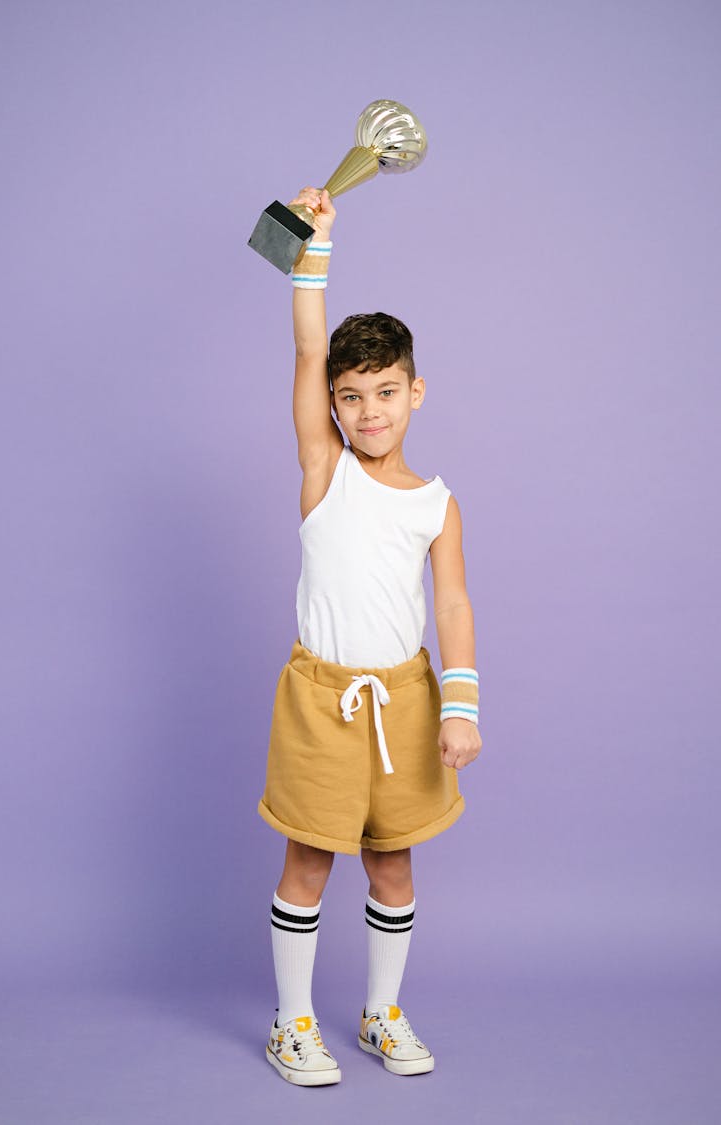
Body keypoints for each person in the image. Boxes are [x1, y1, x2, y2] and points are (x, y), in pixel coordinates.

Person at [258, 186, 483, 1086]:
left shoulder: (438, 502)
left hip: (405, 697)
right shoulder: (325, 470)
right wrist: (313, 245)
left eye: (386, 391)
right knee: (310, 854)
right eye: (351, 397)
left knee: (392, 863)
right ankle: (292, 1021)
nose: (369, 410)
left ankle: (381, 1011)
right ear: (334, 406)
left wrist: (459, 704)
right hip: (322, 698)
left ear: (415, 391)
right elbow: (310, 344)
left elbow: (455, 602)